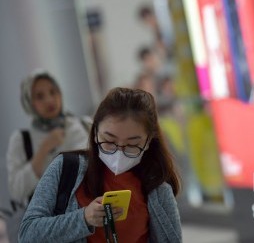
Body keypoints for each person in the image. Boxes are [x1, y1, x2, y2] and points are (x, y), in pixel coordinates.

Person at [19, 87, 182, 243]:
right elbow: (27, 234)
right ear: (95, 132)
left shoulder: (158, 189)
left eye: (132, 144)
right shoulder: (66, 168)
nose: (119, 152)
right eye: (109, 141)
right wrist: (84, 219)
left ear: (148, 142)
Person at [5, 69, 90, 241]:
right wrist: (44, 150)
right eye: (39, 96)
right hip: (50, 229)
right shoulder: (22, 140)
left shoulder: (85, 125)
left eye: (53, 92)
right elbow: (16, 190)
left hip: (90, 220)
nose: (49, 100)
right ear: (29, 102)